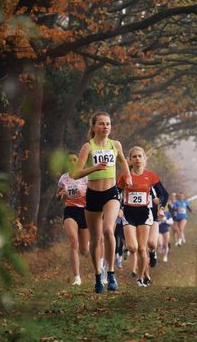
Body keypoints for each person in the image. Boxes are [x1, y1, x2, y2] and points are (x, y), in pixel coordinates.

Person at [72, 111, 132, 293]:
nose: (105, 126)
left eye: (108, 124)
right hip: (92, 195)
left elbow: (123, 160)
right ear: (93, 127)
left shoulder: (115, 145)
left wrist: (128, 175)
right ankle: (98, 277)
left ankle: (111, 273)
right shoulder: (87, 147)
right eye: (101, 124)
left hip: (111, 193)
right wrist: (94, 168)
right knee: (96, 239)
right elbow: (75, 173)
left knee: (108, 230)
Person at [117, 146, 168, 287]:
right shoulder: (124, 176)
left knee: (142, 248)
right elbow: (116, 192)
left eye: (140, 156)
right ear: (130, 160)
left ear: (144, 159)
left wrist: (160, 204)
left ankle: (141, 279)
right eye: (134, 157)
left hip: (145, 214)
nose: (137, 159)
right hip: (128, 213)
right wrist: (118, 208)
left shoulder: (151, 176)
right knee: (132, 247)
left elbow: (163, 194)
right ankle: (142, 274)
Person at [57, 153, 90, 286]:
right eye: (69, 160)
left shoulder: (86, 176)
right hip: (70, 211)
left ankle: (87, 246)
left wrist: (85, 193)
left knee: (83, 250)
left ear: (79, 161)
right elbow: (57, 195)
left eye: (75, 160)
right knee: (73, 241)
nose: (72, 162)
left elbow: (95, 194)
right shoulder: (64, 178)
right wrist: (60, 195)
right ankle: (77, 277)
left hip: (85, 212)